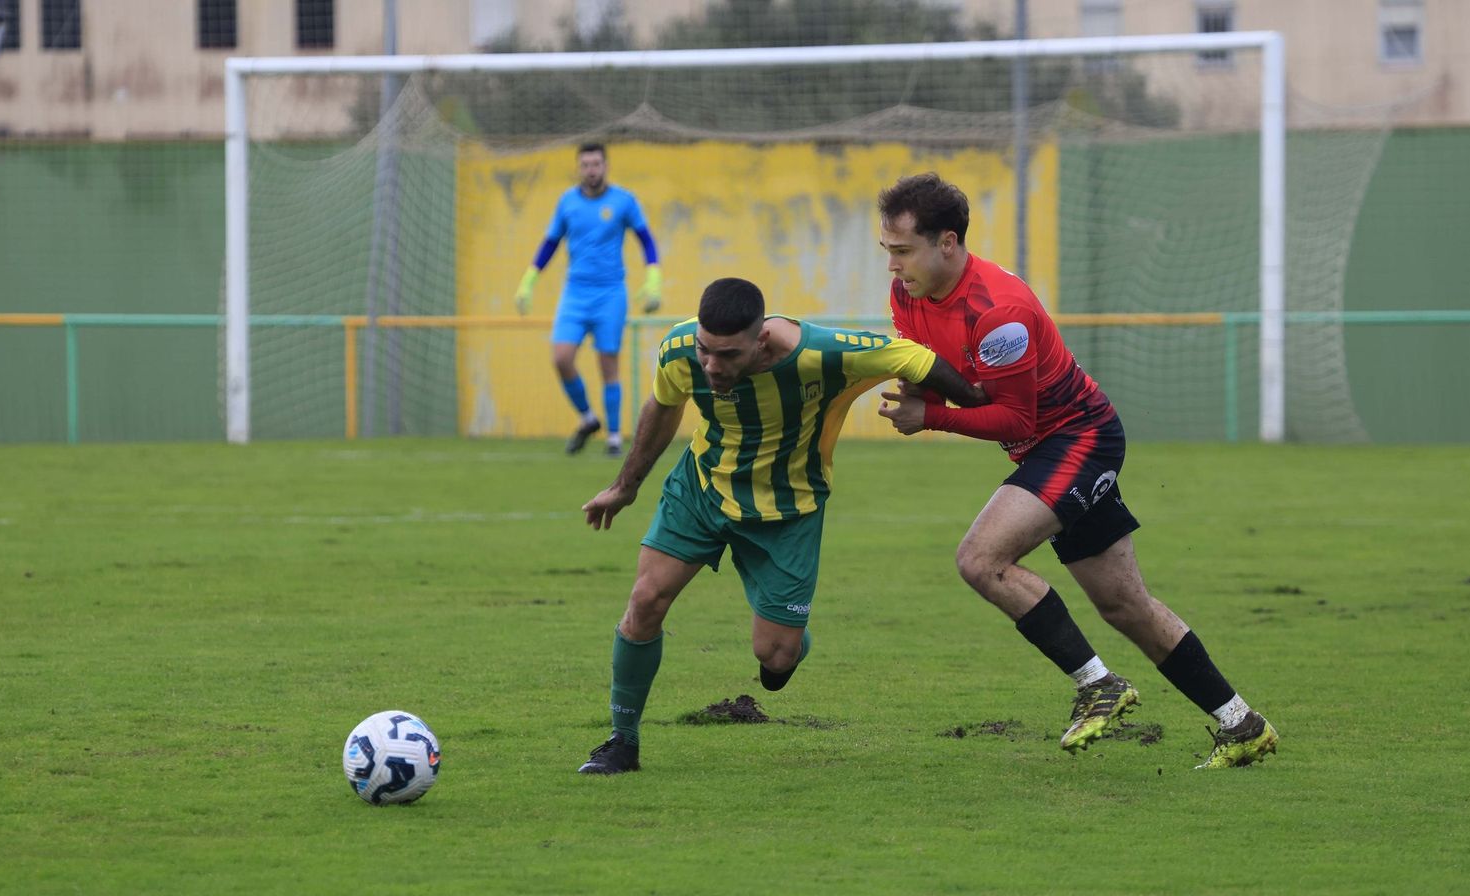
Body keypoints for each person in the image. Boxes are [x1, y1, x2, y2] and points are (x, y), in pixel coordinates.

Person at [873, 173, 1278, 770]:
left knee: (981, 560)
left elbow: (1013, 418)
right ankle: (1241, 724)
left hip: (1077, 440)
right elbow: (937, 369)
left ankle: (1099, 685)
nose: (893, 266)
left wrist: (929, 416)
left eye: (903, 251)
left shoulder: (998, 314)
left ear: (949, 243)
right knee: (1125, 606)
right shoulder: (908, 295)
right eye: (888, 251)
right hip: (1045, 447)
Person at [575, 277, 990, 774]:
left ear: (762, 340)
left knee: (775, 657)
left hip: (788, 512)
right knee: (645, 601)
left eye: (727, 355)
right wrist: (626, 486)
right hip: (702, 489)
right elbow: (665, 407)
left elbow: (911, 357)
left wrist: (976, 403)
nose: (711, 365)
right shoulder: (681, 348)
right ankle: (623, 741)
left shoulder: (823, 354)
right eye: (706, 350)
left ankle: (789, 642)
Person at [514, 142, 663, 458]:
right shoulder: (567, 202)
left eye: (596, 163)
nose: (591, 169)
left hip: (610, 293)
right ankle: (588, 418)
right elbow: (550, 243)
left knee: (608, 365)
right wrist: (530, 279)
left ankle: (613, 437)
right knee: (561, 358)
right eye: (585, 164)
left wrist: (653, 277)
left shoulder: (623, 201)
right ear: (579, 168)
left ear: (605, 166)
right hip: (575, 293)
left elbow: (646, 240)